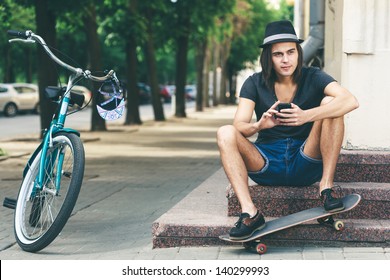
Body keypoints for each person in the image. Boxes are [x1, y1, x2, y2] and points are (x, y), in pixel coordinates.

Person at [216, 20, 359, 240]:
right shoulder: (254, 83)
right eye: (278, 54)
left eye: (291, 52)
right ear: (268, 57)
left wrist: (307, 115)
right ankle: (250, 213)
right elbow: (239, 126)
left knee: (331, 105)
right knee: (225, 132)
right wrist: (258, 125)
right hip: (266, 163)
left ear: (298, 53)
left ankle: (327, 188)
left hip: (306, 159)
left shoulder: (313, 76)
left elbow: (350, 100)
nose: (285, 60)